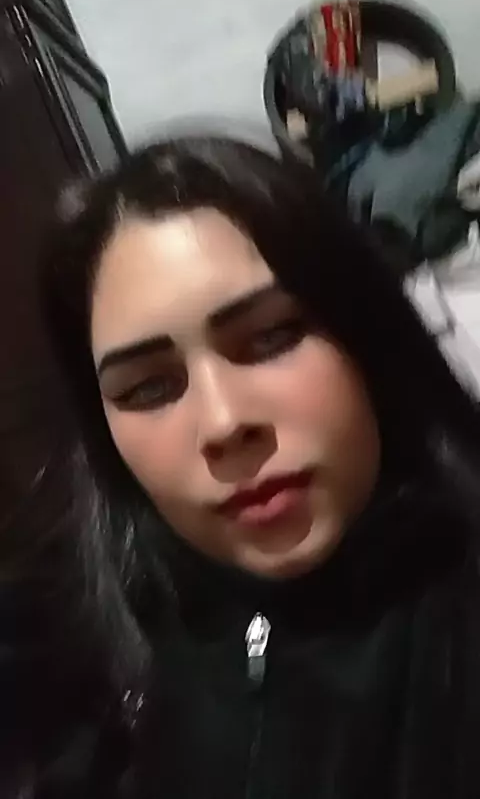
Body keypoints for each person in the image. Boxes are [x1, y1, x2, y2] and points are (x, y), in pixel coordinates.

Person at [4, 135, 480, 799]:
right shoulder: (102, 664)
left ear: (367, 338)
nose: (225, 423)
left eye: (271, 338)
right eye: (148, 387)